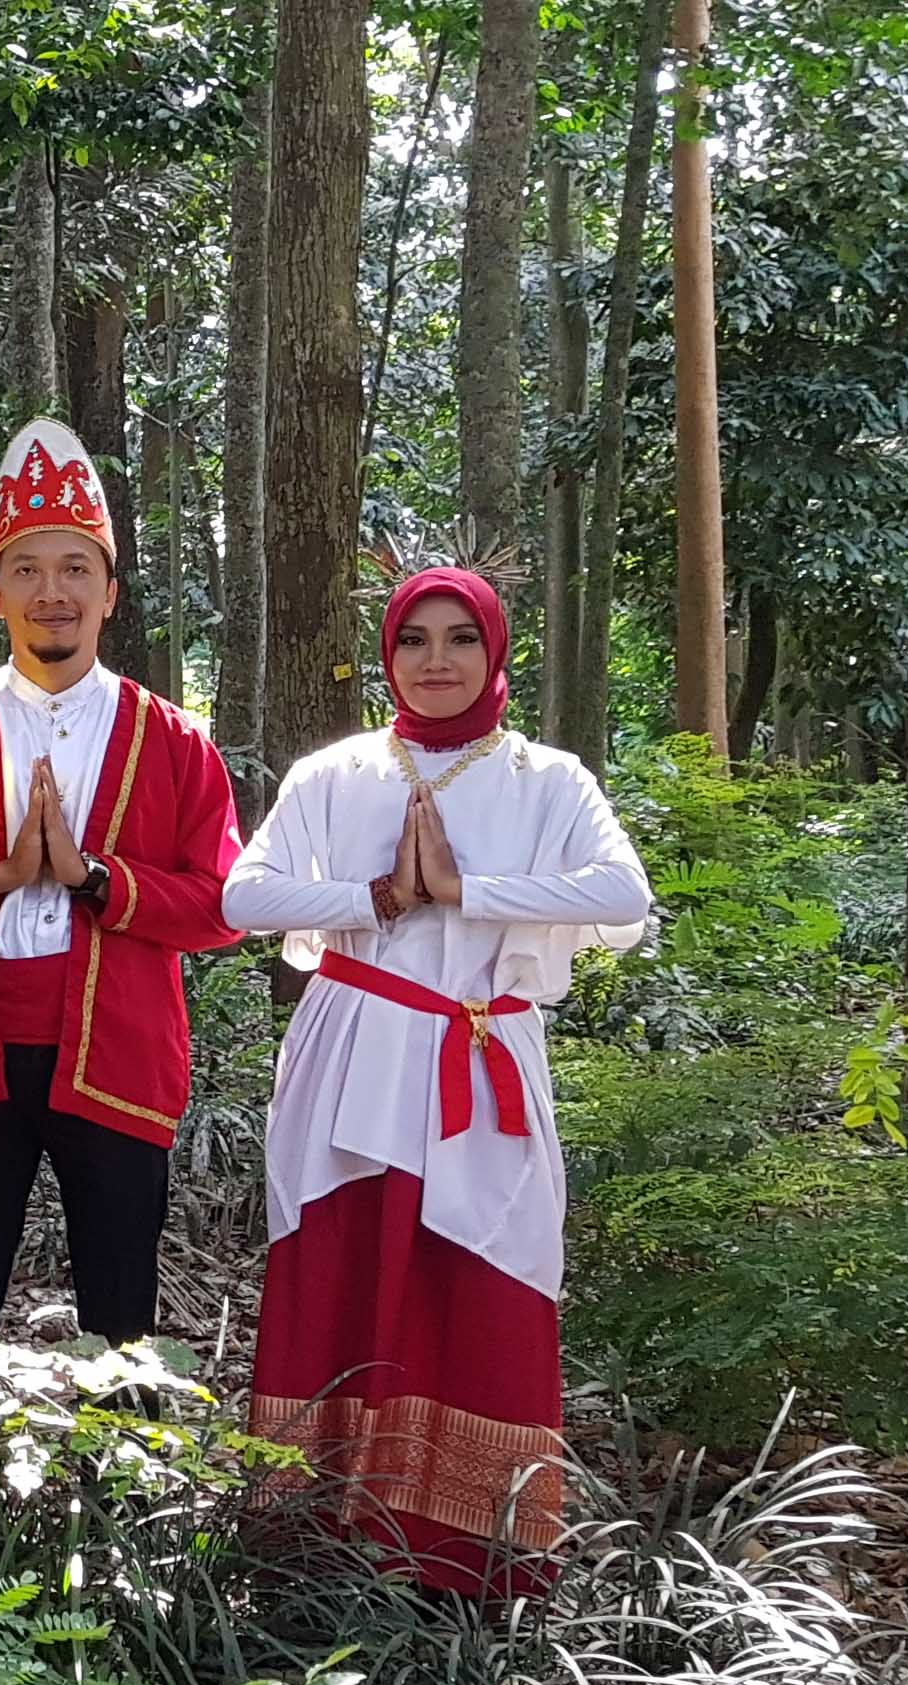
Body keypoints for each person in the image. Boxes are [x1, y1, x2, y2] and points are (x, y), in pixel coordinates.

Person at [224, 567, 649, 1595]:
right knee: (343, 1268)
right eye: (416, 640)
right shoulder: (335, 774)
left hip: (481, 1059)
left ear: (495, 652)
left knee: (482, 1284)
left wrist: (466, 891)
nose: (438, 660)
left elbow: (623, 890)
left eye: (461, 638)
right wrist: (374, 895)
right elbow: (245, 894)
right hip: (353, 1056)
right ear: (389, 655)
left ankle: (470, 1558)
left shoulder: (549, 779)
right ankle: (312, 1545)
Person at [0, 418, 244, 1345]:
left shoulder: (175, 740)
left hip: (119, 1055)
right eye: (29, 570)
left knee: (120, 1308)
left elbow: (224, 906)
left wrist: (99, 881)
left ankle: (114, 1491)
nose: (53, 592)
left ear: (111, 593)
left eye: (75, 569)